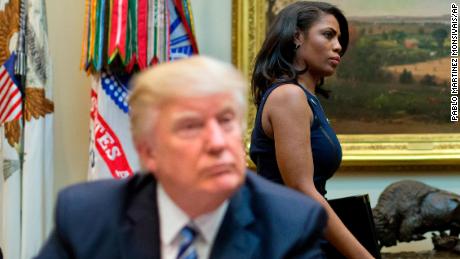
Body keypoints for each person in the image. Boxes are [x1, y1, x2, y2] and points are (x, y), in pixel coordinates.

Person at [35, 56, 328, 259]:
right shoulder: (88, 217)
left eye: (226, 121)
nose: (217, 142)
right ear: (149, 152)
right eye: (191, 126)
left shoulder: (290, 225)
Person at [249, 2, 374, 259]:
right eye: (328, 35)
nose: (338, 46)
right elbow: (302, 190)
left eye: (340, 38)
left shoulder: (306, 98)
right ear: (297, 36)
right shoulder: (289, 96)